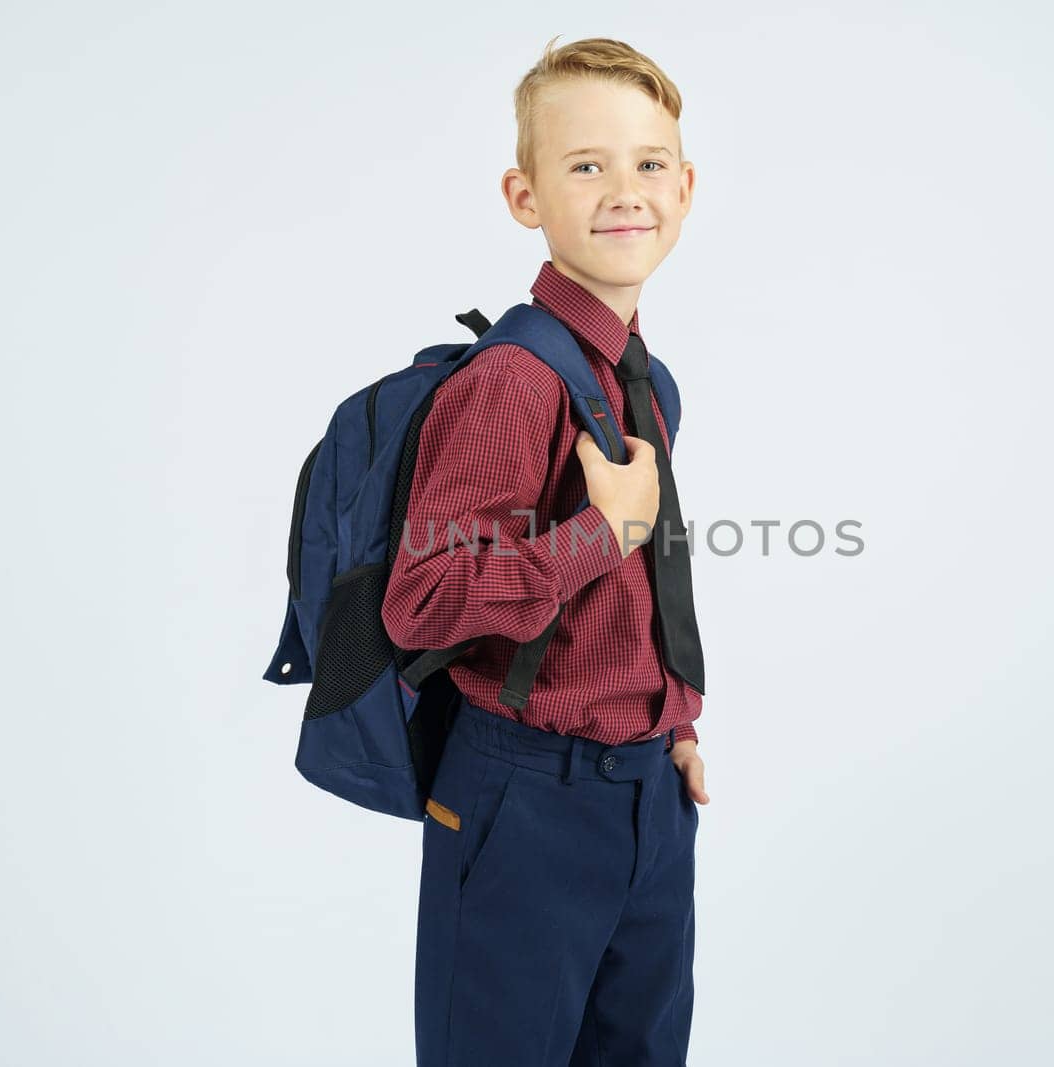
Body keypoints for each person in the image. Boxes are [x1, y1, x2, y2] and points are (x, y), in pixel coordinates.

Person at [380, 34, 709, 1067]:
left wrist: (671, 715)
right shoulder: (512, 381)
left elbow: (636, 591)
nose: (625, 190)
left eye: (648, 162)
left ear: (686, 186)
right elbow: (422, 600)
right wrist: (595, 533)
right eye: (585, 165)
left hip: (646, 791)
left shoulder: (642, 378)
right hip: (524, 797)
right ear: (525, 196)